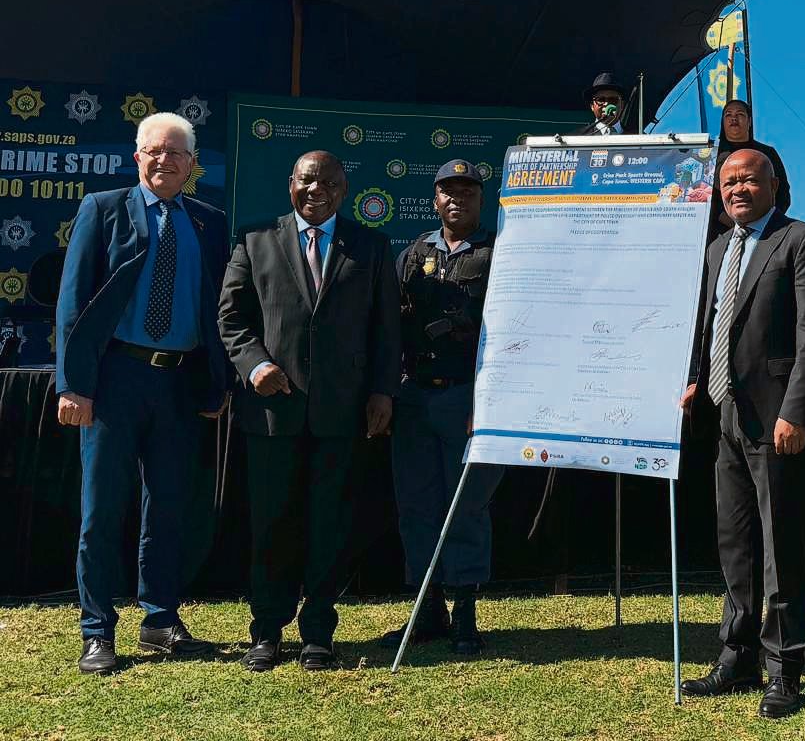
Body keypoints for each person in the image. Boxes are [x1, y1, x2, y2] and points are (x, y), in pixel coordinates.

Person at [55, 112, 228, 675]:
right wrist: (73, 384)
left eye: (176, 153)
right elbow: (73, 303)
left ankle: (159, 619)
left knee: (170, 506)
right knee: (102, 509)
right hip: (114, 381)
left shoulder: (209, 221)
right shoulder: (102, 209)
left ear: (192, 164)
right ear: (137, 157)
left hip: (179, 384)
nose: (164, 160)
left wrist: (217, 381)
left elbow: (219, 309)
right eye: (154, 150)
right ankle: (96, 630)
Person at [219, 150, 400, 672]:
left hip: (343, 414)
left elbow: (386, 329)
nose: (316, 190)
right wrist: (255, 365)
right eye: (307, 180)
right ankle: (267, 631)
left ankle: (318, 630)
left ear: (344, 191)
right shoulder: (255, 239)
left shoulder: (371, 246)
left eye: (328, 183)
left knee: (330, 525)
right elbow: (231, 317)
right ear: (290, 184)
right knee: (272, 525)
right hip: (273, 413)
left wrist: (383, 391)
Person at [678, 148, 805, 720]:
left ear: (774, 184)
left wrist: (796, 410)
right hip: (724, 414)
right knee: (736, 541)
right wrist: (697, 380)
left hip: (777, 420)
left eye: (747, 179)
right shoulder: (718, 248)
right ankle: (737, 654)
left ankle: (784, 667)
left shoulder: (801, 241)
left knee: (779, 546)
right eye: (728, 182)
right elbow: (709, 326)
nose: (737, 189)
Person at [380, 159, 503, 655]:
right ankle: (427, 609)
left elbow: (509, 332)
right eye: (448, 191)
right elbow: (390, 327)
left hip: (467, 397)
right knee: (417, 505)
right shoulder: (414, 254)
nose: (457, 199)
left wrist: (487, 398)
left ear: (481, 199)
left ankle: (466, 613)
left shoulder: (499, 253)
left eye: (467, 191)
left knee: (466, 505)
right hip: (415, 397)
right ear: (435, 200)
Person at [710, 99, 791, 238]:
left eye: (740, 114)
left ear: (749, 121)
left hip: (763, 234)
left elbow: (782, 195)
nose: (734, 118)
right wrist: (732, 223)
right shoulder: (711, 155)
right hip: (719, 234)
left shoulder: (767, 153)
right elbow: (708, 198)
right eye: (728, 115)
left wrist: (763, 223)